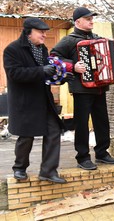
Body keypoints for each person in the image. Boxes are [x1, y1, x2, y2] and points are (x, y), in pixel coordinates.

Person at [51, 7, 114, 170]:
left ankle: (102, 153)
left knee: (102, 120)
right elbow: (54, 57)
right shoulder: (69, 40)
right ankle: (82, 157)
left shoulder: (98, 38)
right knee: (82, 123)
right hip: (81, 88)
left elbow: (108, 58)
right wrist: (72, 66)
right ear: (78, 22)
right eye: (88, 18)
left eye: (92, 18)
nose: (91, 21)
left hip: (99, 87)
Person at [3, 17, 68, 184]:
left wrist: (60, 76)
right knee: (27, 137)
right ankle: (19, 168)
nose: (45, 35)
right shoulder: (12, 50)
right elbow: (15, 74)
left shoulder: (43, 49)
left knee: (54, 132)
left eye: (45, 32)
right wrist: (41, 71)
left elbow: (47, 73)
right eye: (41, 32)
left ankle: (48, 171)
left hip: (44, 100)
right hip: (25, 101)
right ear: (28, 33)